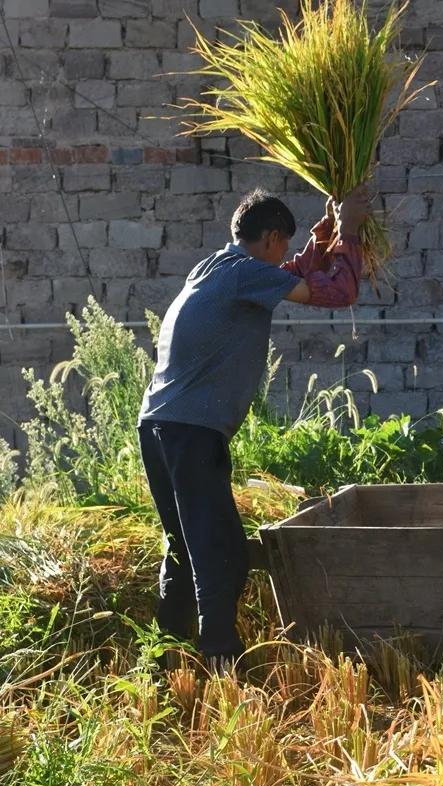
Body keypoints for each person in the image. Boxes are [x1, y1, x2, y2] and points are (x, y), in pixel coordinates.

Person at [138, 185, 370, 667]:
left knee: (184, 544)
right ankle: (220, 658)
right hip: (190, 429)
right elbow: (338, 291)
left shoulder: (216, 268)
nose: (285, 254)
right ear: (268, 238)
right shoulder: (245, 274)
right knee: (219, 548)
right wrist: (350, 233)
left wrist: (324, 232)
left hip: (161, 424)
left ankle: (164, 657)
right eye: (283, 243)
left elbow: (290, 273)